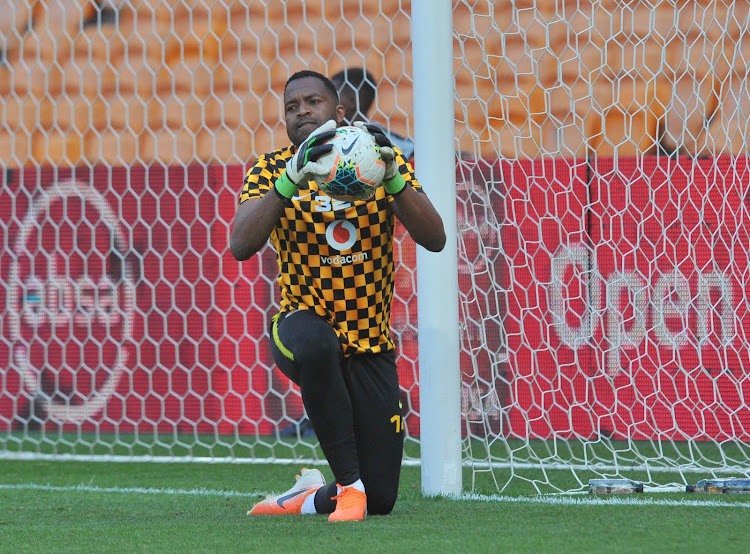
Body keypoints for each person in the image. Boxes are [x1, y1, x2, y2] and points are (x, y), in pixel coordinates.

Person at [231, 69, 445, 521]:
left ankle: (308, 495)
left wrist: (394, 178)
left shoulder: (380, 165)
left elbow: (436, 238)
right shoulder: (272, 169)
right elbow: (241, 245)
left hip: (369, 342)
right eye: (292, 107)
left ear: (340, 112)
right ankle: (348, 487)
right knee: (317, 342)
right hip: (300, 326)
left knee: (382, 499)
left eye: (313, 102)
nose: (302, 111)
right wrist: (289, 180)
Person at [331, 67, 415, 160]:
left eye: (333, 96)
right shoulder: (329, 138)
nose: (328, 102)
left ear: (353, 101)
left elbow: (412, 148)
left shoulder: (380, 137)